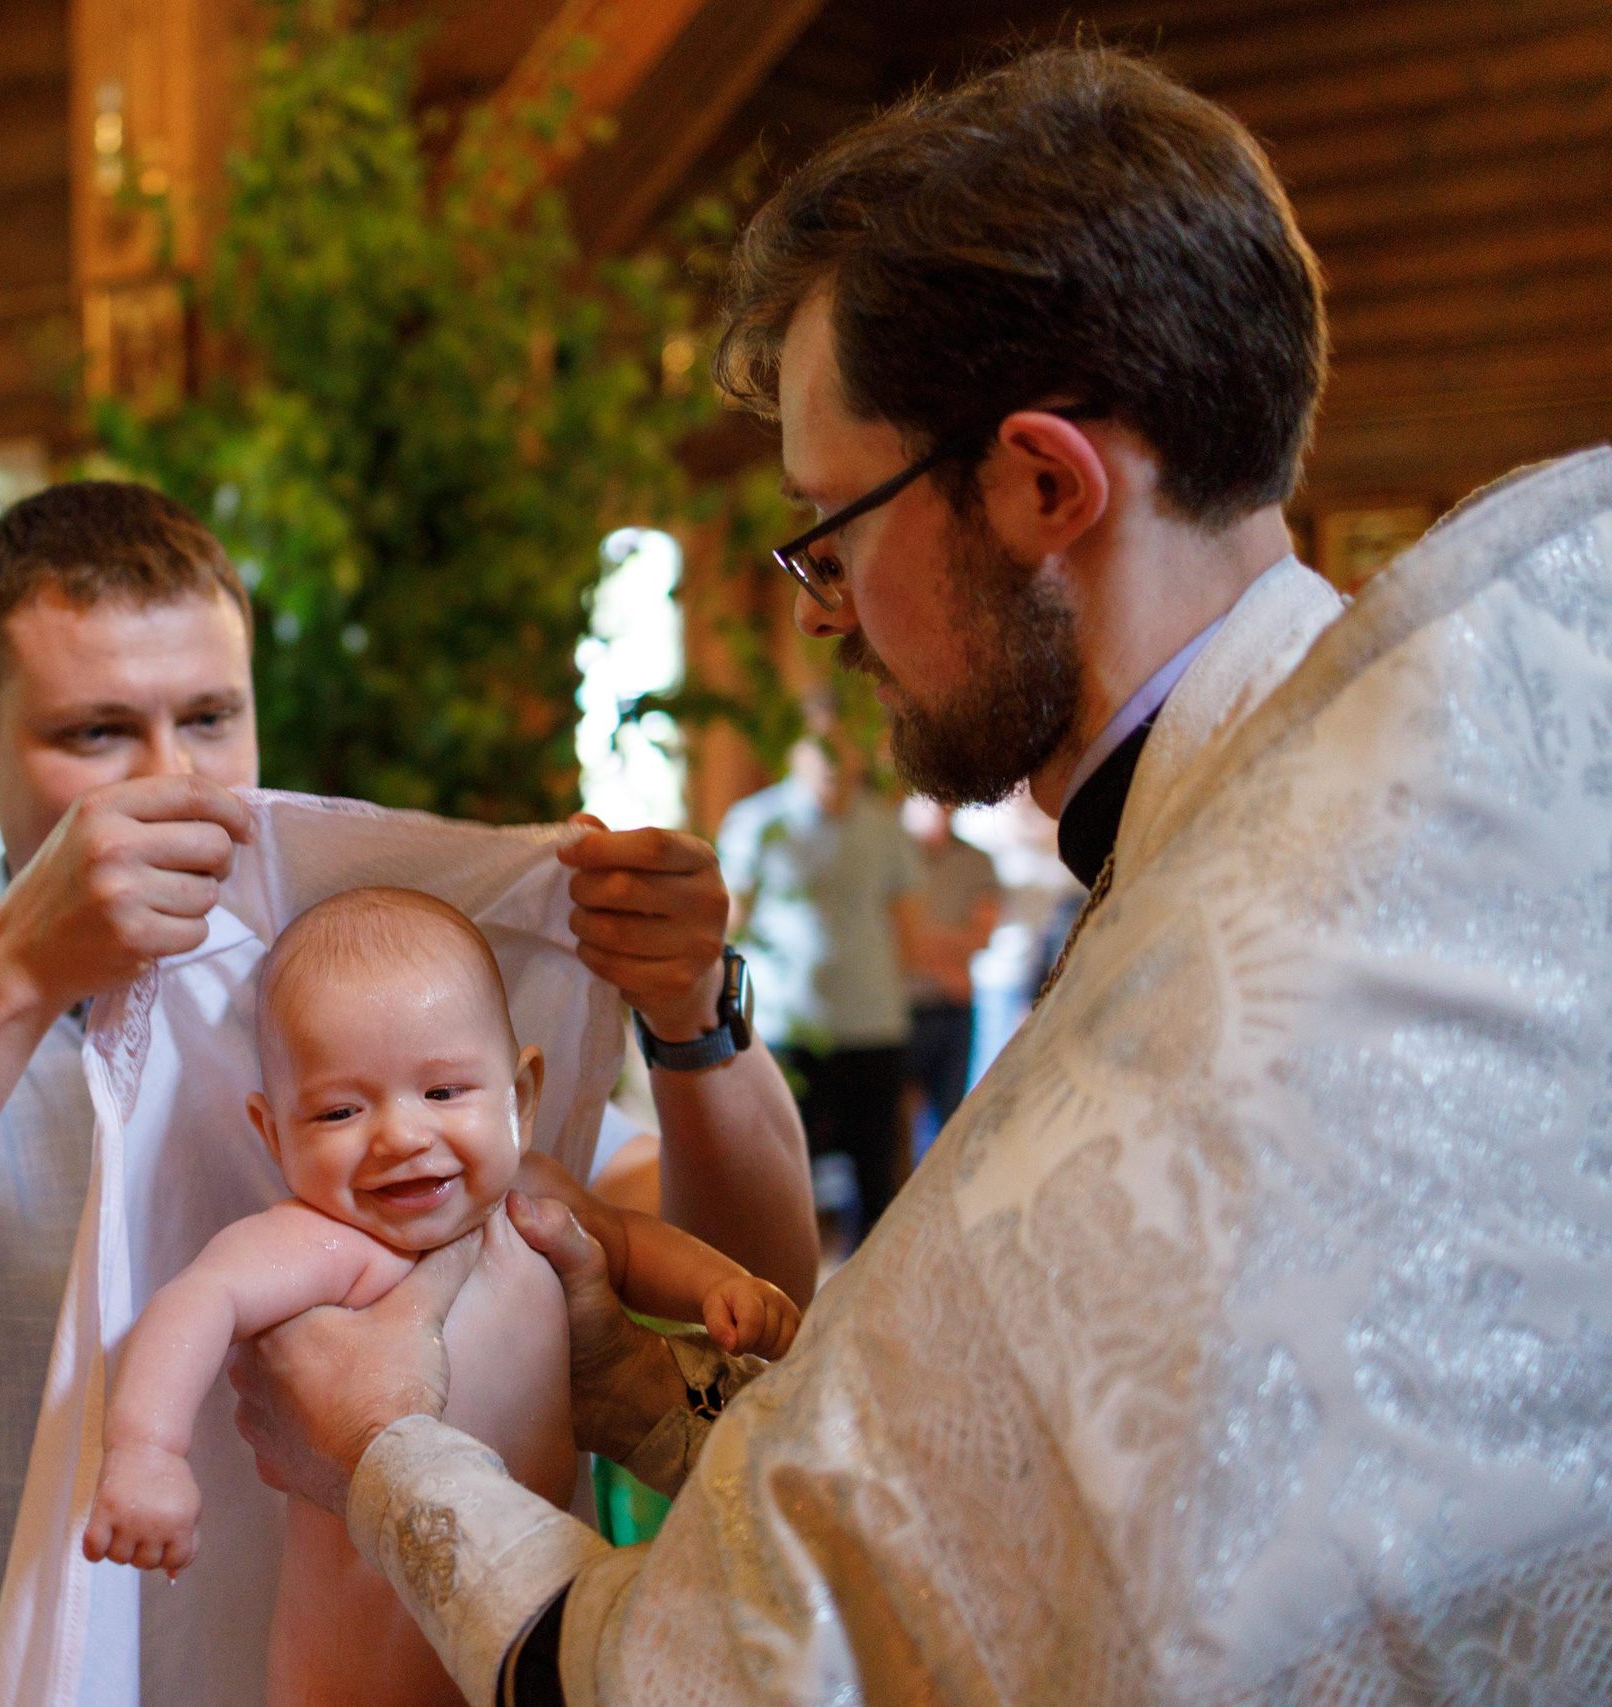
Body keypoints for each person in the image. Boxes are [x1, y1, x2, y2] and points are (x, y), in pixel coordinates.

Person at [224, 47, 1612, 1705]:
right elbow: (968, 1528)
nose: (822, 611)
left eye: (831, 532)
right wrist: (631, 1387)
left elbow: (708, 1680)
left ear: (1043, 485)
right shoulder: (1448, 805)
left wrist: (385, 1446)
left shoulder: (1197, 1039)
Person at [0, 481, 818, 1707]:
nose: (172, 781)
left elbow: (753, 1289)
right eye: (96, 735)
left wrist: (691, 1015)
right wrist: (12, 971)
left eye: (210, 718)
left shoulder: (344, 1012)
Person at [82, 889, 798, 1706]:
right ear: (274, 1133)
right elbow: (196, 1301)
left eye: (445, 1092)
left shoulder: (535, 1203)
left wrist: (721, 1284)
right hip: (355, 1684)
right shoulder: (324, 1247)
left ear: (520, 1097)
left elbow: (630, 1243)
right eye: (341, 1109)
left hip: (537, 1641)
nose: (401, 1135)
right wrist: (145, 1453)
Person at [715, 717, 921, 1239]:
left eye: (842, 744)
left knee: (877, 1177)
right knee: (782, 1176)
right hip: (788, 1024)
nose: (832, 757)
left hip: (872, 1021)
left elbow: (907, 926)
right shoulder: (758, 822)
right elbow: (727, 921)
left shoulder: (885, 824)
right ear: (795, 751)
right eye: (820, 743)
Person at [894, 794, 1000, 1130]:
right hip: (902, 1010)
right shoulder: (893, 859)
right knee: (897, 1123)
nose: (938, 810)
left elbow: (981, 938)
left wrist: (918, 943)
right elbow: (890, 942)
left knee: (951, 1121)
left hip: (955, 1007)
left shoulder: (977, 861)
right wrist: (947, 950)